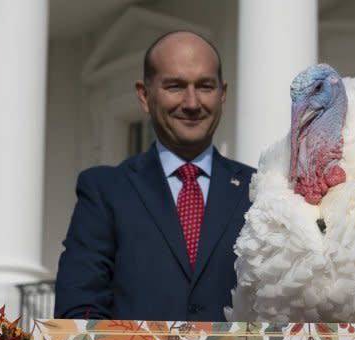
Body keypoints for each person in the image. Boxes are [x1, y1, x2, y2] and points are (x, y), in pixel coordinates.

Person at [54, 31, 254, 321]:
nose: (192, 102)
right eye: (175, 86)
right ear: (144, 96)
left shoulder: (259, 191)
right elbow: (79, 309)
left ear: (222, 94)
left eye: (205, 86)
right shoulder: (105, 191)